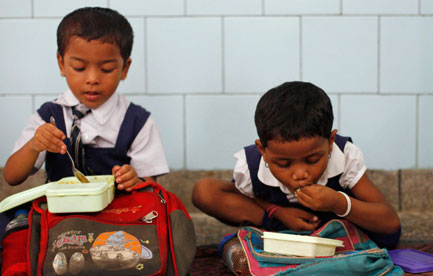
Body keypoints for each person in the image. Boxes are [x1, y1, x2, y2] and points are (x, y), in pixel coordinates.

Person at [192, 81, 401, 249]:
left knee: (385, 238)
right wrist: (277, 212)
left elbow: (390, 223)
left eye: (313, 160)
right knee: (204, 191)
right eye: (283, 163)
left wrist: (338, 203)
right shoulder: (253, 165)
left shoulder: (343, 156)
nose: (300, 174)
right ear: (262, 150)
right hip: (278, 223)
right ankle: (282, 234)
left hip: (339, 226)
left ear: (330, 142)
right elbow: (219, 195)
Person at [3, 7, 169, 192]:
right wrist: (34, 145)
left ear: (125, 69)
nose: (92, 79)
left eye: (106, 69)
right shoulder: (49, 116)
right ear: (62, 64)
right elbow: (11, 177)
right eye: (79, 67)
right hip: (62, 216)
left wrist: (135, 181)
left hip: (119, 216)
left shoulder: (138, 122)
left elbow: (151, 188)